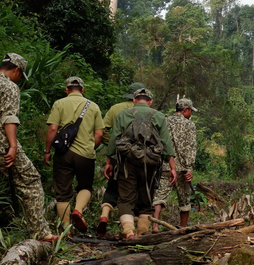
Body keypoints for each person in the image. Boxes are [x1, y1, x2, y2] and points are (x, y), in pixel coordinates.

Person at [0, 53, 58, 258]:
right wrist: (13, 146)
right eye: (20, 75)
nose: (19, 80)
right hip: (1, 147)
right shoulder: (10, 87)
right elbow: (9, 117)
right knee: (30, 180)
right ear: (16, 70)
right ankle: (40, 232)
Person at [105, 88, 177, 239]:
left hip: (126, 163)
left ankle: (129, 231)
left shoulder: (123, 114)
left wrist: (109, 163)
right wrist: (172, 168)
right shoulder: (159, 116)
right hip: (150, 165)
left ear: (134, 100)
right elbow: (166, 143)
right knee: (146, 200)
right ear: (150, 102)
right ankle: (143, 233)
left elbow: (114, 141)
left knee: (125, 199)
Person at [44, 76, 104, 233]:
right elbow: (99, 134)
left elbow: (52, 129)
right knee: (85, 186)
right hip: (85, 154)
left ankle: (66, 231)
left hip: (63, 154)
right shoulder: (94, 107)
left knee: (62, 193)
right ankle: (78, 210)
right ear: (82, 90)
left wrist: (47, 150)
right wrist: (92, 147)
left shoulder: (59, 104)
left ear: (66, 89)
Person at [96, 82, 145, 237]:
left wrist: (112, 148)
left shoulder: (116, 109)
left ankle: (104, 215)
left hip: (119, 155)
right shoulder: (148, 111)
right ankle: (133, 229)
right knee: (136, 190)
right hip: (140, 157)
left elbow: (104, 130)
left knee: (113, 186)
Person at [152, 98, 197, 233]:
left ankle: (155, 225)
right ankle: (182, 228)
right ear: (185, 110)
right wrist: (189, 168)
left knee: (159, 197)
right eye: (190, 111)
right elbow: (191, 147)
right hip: (182, 168)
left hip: (165, 166)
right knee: (184, 200)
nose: (190, 114)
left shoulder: (164, 121)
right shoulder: (189, 125)